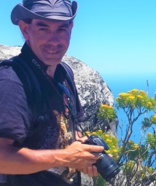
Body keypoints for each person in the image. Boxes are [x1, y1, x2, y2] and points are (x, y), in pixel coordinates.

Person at [0, 0, 104, 185]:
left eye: (61, 29)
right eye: (43, 28)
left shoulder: (64, 73)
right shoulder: (13, 81)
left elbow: (69, 130)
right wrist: (65, 157)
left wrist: (83, 154)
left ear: (70, 29)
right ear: (25, 30)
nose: (54, 40)